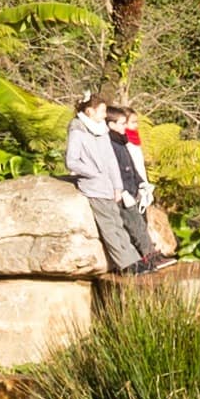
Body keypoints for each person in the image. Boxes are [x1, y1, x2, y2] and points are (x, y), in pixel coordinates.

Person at [65, 94, 156, 273]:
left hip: (109, 186)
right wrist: (94, 173)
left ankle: (134, 260)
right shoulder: (77, 130)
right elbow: (72, 161)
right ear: (90, 111)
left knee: (117, 224)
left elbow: (111, 161)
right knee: (109, 226)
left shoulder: (101, 130)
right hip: (94, 187)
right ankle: (126, 263)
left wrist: (117, 186)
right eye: (102, 111)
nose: (105, 114)